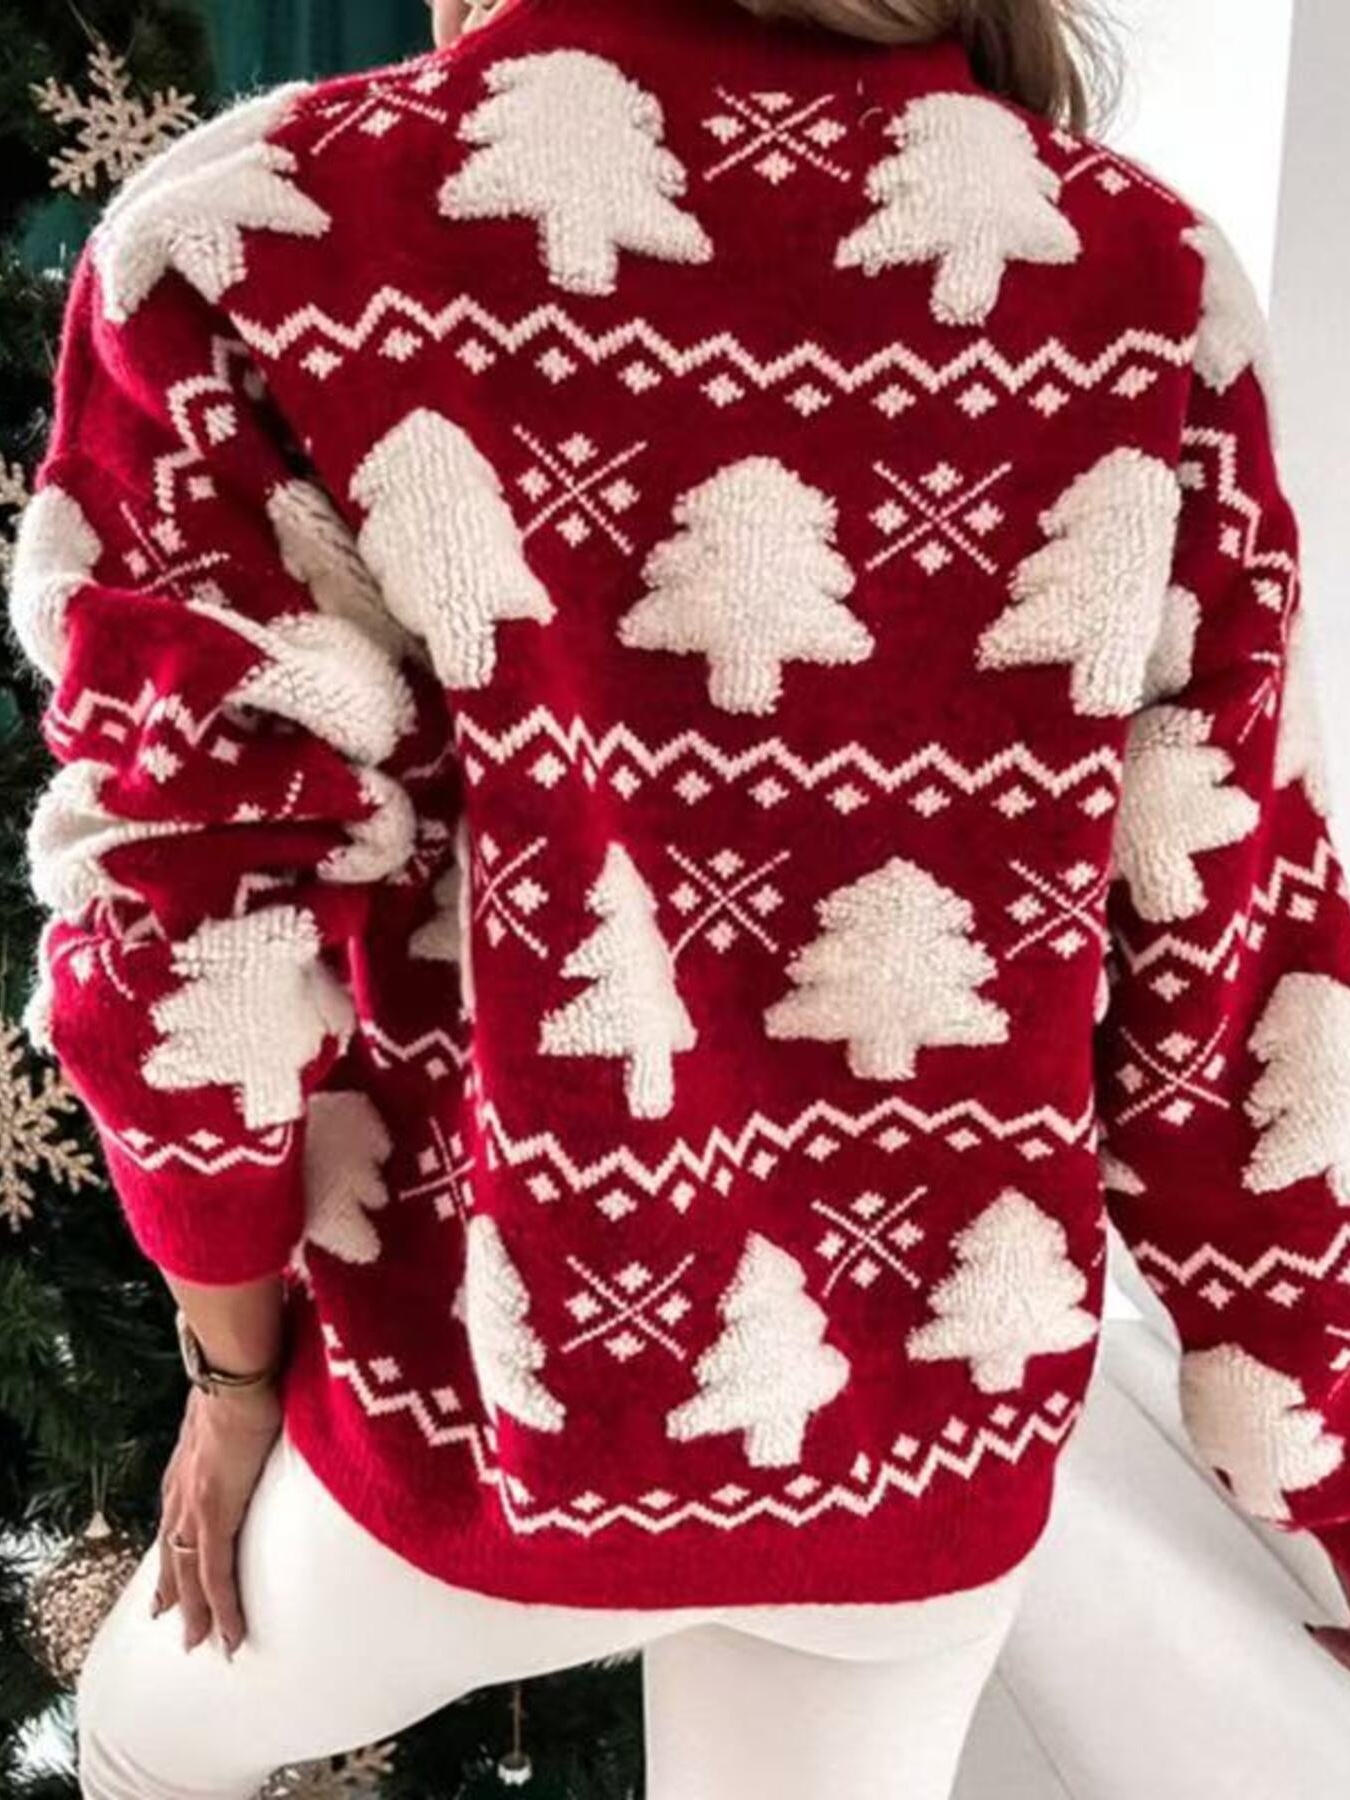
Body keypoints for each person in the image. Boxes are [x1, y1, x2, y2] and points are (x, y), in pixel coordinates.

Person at [10, 0, 1350, 1793]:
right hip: (915, 1473)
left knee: (135, 1748)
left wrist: (233, 1368)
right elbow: (1241, 978)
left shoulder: (263, 230)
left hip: (469, 1450)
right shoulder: (1147, 285)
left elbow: (187, 943)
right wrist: (1323, 1489)